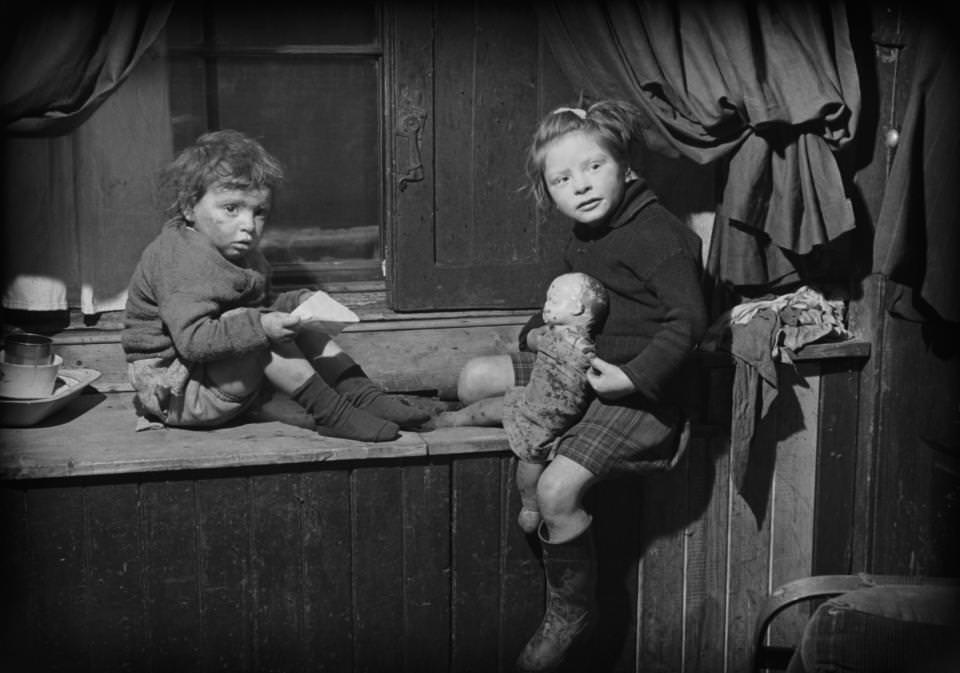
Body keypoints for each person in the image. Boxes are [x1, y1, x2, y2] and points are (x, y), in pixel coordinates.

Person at [454, 101, 708, 672]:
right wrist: (537, 333)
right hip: (585, 370)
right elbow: (570, 297)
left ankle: (570, 613)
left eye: (593, 167)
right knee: (474, 378)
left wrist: (634, 376)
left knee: (555, 492)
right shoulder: (585, 235)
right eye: (562, 178)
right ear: (547, 190)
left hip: (642, 395)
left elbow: (688, 322)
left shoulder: (658, 237)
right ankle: (492, 410)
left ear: (624, 164)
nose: (582, 185)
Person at [122, 129, 430, 441]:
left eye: (259, 212)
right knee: (255, 329)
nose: (248, 225)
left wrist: (295, 304)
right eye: (231, 208)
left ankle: (363, 395)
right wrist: (263, 326)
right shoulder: (179, 258)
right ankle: (332, 414)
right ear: (189, 207)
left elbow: (258, 307)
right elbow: (195, 340)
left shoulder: (241, 254)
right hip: (179, 393)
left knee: (288, 319)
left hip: (217, 378)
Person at [428, 271, 608, 535]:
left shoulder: (582, 349)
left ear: (578, 309)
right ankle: (448, 418)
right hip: (530, 396)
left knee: (529, 463)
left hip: (544, 419)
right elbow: (531, 335)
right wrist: (532, 336)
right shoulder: (551, 331)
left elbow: (592, 369)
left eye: (553, 300)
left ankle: (530, 506)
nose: (547, 306)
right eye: (547, 299)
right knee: (486, 408)